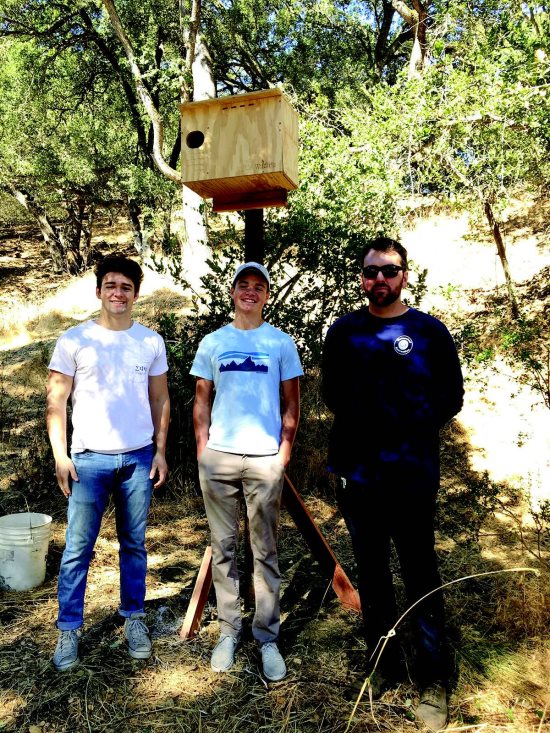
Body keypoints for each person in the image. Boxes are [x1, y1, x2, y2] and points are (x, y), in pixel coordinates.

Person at [322, 237, 463, 731]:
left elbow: (451, 396)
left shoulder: (429, 331)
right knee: (374, 573)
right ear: (361, 278)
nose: (379, 279)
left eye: (389, 270)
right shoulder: (344, 332)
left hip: (411, 475)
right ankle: (382, 665)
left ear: (405, 275)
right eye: (371, 271)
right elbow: (332, 394)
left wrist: (406, 426)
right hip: (359, 475)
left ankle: (433, 680)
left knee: (420, 573)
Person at [46, 254, 170, 671]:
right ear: (99, 291)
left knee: (134, 544)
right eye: (111, 286)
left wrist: (160, 450)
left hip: (138, 458)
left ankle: (133, 617)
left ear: (136, 295)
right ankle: (69, 628)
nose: (119, 293)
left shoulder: (150, 341)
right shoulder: (74, 340)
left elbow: (160, 398)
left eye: (126, 287)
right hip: (88, 460)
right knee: (78, 547)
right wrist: (61, 455)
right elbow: (56, 401)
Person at [191, 261, 302, 682]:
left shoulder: (280, 342)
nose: (250, 291)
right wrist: (203, 451)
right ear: (233, 292)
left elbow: (292, 403)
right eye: (243, 285)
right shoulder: (213, 341)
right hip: (218, 457)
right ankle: (228, 631)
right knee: (223, 548)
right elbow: (201, 400)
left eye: (259, 286)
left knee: (264, 550)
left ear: (267, 295)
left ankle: (267, 637)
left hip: (264, 458)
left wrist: (283, 453)